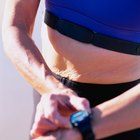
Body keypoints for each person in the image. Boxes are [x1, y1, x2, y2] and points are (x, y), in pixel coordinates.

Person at [2, 0, 140, 139]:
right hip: (52, 98)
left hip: (125, 110)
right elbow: (14, 26)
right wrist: (54, 89)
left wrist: (84, 127)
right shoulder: (54, 95)